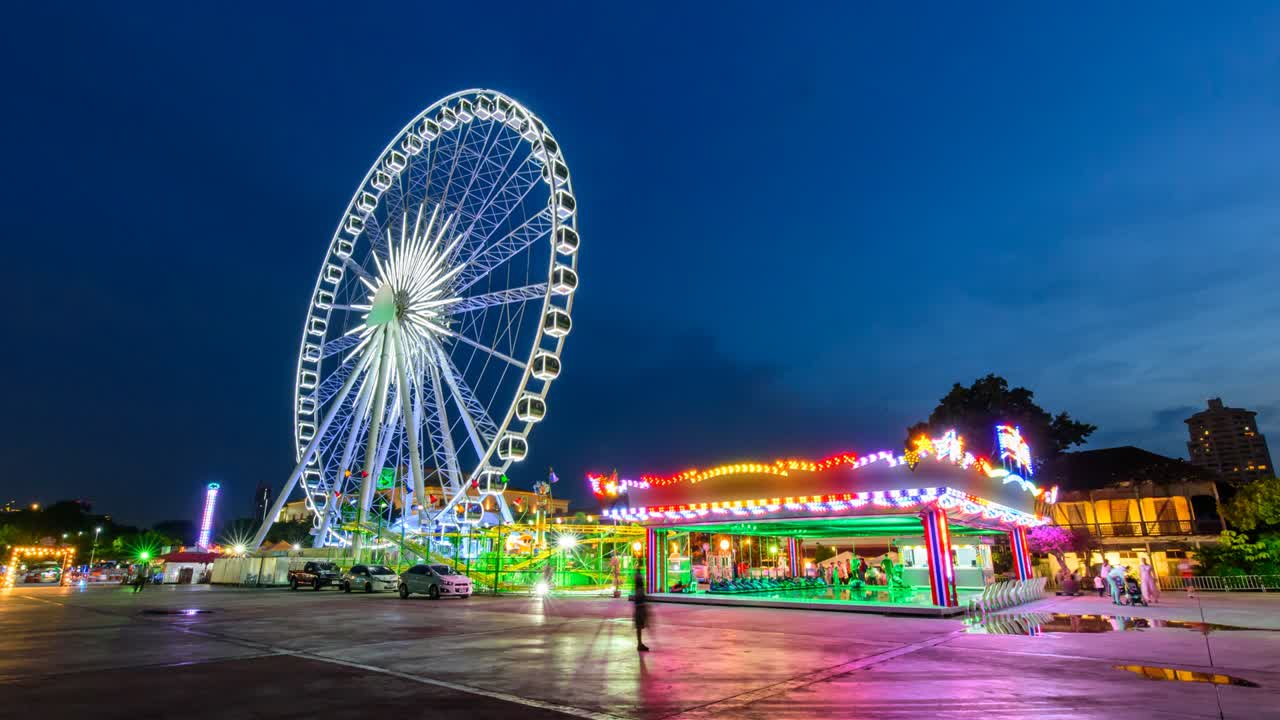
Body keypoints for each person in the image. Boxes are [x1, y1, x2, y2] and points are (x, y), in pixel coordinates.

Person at [632, 567, 649, 652]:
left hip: (639, 609)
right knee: (639, 627)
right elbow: (640, 600)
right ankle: (639, 644)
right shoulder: (640, 589)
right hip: (640, 610)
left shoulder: (638, 589)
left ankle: (640, 643)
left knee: (639, 627)